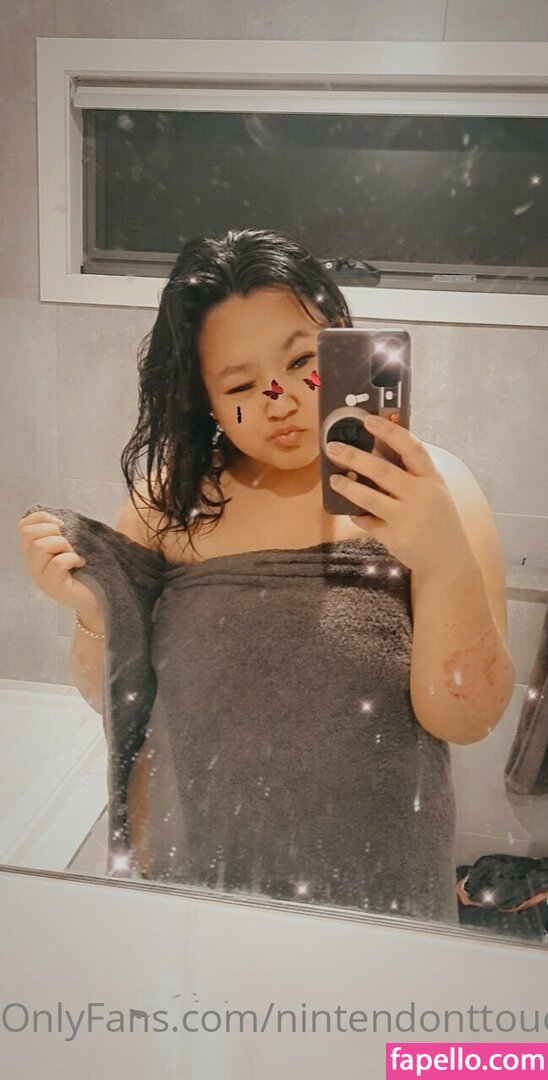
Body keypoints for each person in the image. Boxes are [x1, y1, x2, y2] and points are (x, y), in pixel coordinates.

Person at [18, 228, 515, 924]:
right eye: (241, 386)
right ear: (204, 400)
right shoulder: (168, 502)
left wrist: (441, 553)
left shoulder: (437, 488)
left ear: (343, 344)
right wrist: (92, 608)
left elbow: (467, 717)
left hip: (378, 902)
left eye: (303, 362)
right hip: (195, 892)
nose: (279, 400)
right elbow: (116, 694)